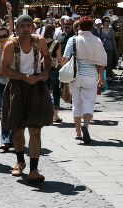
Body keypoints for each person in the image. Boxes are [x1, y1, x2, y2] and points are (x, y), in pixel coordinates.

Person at [1, 15, 54, 183]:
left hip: (36, 87)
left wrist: (45, 72)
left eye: (28, 25)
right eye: (22, 26)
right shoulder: (11, 45)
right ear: (16, 28)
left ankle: (34, 169)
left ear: (33, 28)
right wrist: (24, 77)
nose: (25, 28)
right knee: (17, 129)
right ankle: (19, 161)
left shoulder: (40, 41)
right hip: (17, 87)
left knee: (35, 129)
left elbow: (47, 57)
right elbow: (4, 69)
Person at [63, 16, 106, 144]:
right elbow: (102, 61)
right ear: (91, 27)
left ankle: (77, 131)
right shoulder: (97, 41)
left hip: (76, 76)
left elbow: (65, 60)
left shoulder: (73, 40)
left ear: (78, 27)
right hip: (91, 76)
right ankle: (85, 126)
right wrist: (101, 78)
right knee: (89, 103)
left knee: (76, 103)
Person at [43, 24, 64, 123]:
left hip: (43, 69)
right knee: (56, 91)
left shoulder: (41, 42)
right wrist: (64, 66)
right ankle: (55, 115)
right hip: (55, 69)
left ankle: (45, 113)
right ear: (53, 32)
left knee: (45, 92)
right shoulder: (57, 43)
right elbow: (60, 58)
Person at [98, 16, 118, 82]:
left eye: (109, 21)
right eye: (106, 21)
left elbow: (113, 40)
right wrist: (101, 41)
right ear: (103, 22)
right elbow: (97, 39)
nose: (108, 22)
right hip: (102, 47)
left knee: (108, 62)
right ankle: (101, 76)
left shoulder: (112, 30)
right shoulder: (99, 29)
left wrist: (116, 50)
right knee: (101, 62)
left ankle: (109, 76)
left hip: (110, 48)